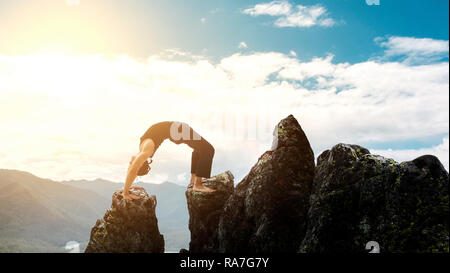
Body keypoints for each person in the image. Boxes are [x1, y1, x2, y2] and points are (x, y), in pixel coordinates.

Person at [123, 121, 215, 200]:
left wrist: (126, 191)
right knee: (207, 149)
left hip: (177, 129)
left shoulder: (145, 151)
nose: (131, 163)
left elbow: (132, 169)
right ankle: (197, 184)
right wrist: (126, 190)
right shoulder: (144, 149)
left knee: (201, 149)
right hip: (178, 130)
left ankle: (194, 180)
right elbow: (132, 169)